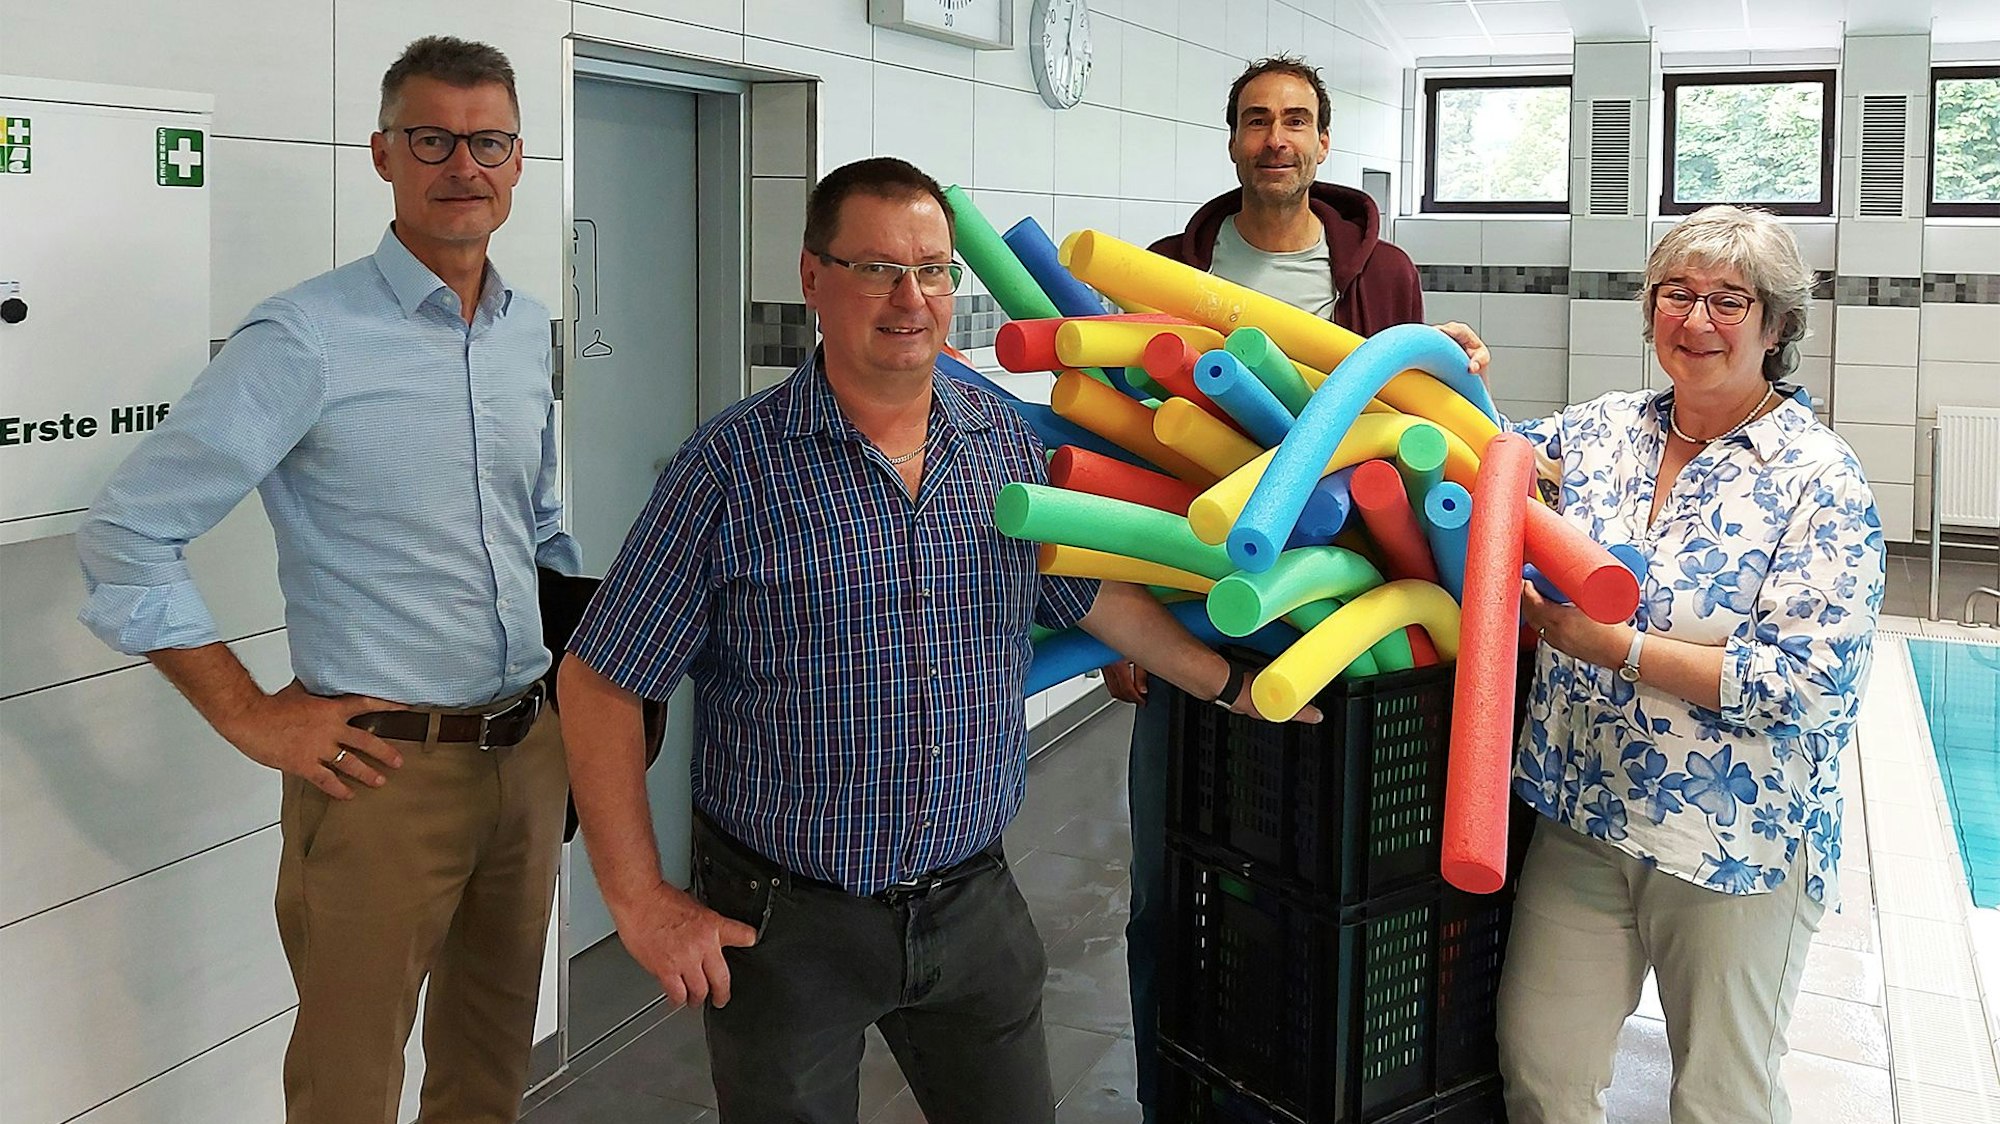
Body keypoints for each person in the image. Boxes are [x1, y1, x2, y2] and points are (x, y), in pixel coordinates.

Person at [556, 156, 1311, 1124]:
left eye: (932, 269)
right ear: (811, 277)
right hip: (787, 925)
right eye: (874, 268)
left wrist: (1222, 682)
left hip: (972, 905)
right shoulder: (730, 469)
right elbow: (600, 680)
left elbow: (1085, 592)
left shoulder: (1001, 442)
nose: (909, 297)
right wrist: (638, 898)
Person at [75, 37, 575, 1124]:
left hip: (528, 753)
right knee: (348, 1087)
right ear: (383, 154)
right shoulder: (305, 336)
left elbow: (538, 520)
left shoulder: (524, 327)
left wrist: (579, 700)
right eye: (431, 138)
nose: (462, 165)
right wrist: (252, 713)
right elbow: (126, 532)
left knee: (490, 1068)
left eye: (486, 140)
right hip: (381, 773)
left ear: (518, 161)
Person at [1107, 55, 1448, 1121]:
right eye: (1255, 121)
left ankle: (1308, 1081)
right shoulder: (1171, 268)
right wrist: (1125, 623)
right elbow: (1116, 444)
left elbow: (1415, 427)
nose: (1274, 139)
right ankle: (1178, 1088)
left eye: (1294, 121)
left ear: (1321, 143)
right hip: (1184, 603)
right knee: (1173, 878)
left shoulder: (1380, 274)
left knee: (1318, 869)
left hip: (1338, 611)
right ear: (1230, 140)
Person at [1491, 205, 1884, 1123]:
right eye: (1676, 295)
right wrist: (1459, 383)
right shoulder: (1600, 433)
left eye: (1728, 301)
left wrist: (1619, 651)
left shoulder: (1818, 478)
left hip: (1731, 846)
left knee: (1721, 1099)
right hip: (1583, 814)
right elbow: (1489, 462)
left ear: (1776, 326)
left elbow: (1809, 686)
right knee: (1541, 1075)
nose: (1696, 320)